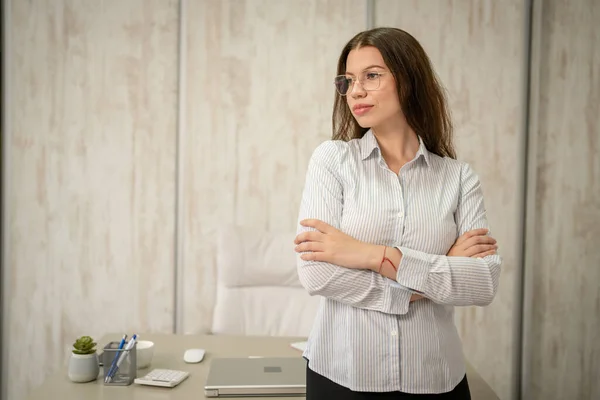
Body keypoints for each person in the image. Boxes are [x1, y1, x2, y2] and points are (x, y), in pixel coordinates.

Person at [293, 27, 502, 400]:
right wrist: (435, 271)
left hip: (435, 376)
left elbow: (483, 282)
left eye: (372, 76)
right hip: (342, 373)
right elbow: (316, 273)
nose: (356, 91)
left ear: (408, 79)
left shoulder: (457, 178)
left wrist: (369, 255)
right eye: (348, 80)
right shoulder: (333, 161)